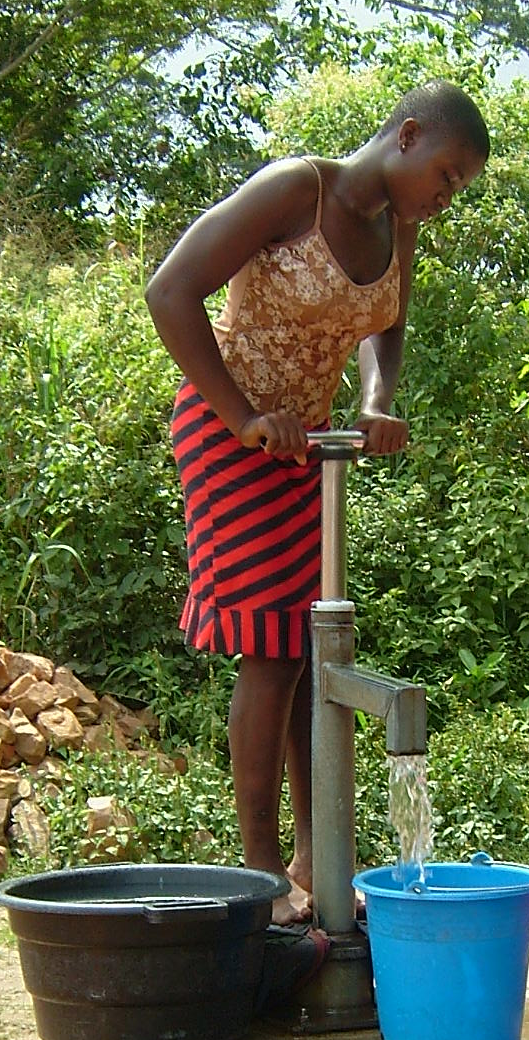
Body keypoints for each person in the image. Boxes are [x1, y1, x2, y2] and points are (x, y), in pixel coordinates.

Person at [146, 81, 490, 926]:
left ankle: (317, 851)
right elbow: (170, 291)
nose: (446, 199)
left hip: (308, 445)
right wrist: (243, 415)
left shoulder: (396, 225)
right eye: (445, 176)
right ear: (406, 136)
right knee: (268, 647)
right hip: (231, 432)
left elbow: (387, 321)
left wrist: (376, 402)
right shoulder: (295, 190)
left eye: (458, 189)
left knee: (308, 646)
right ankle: (261, 872)